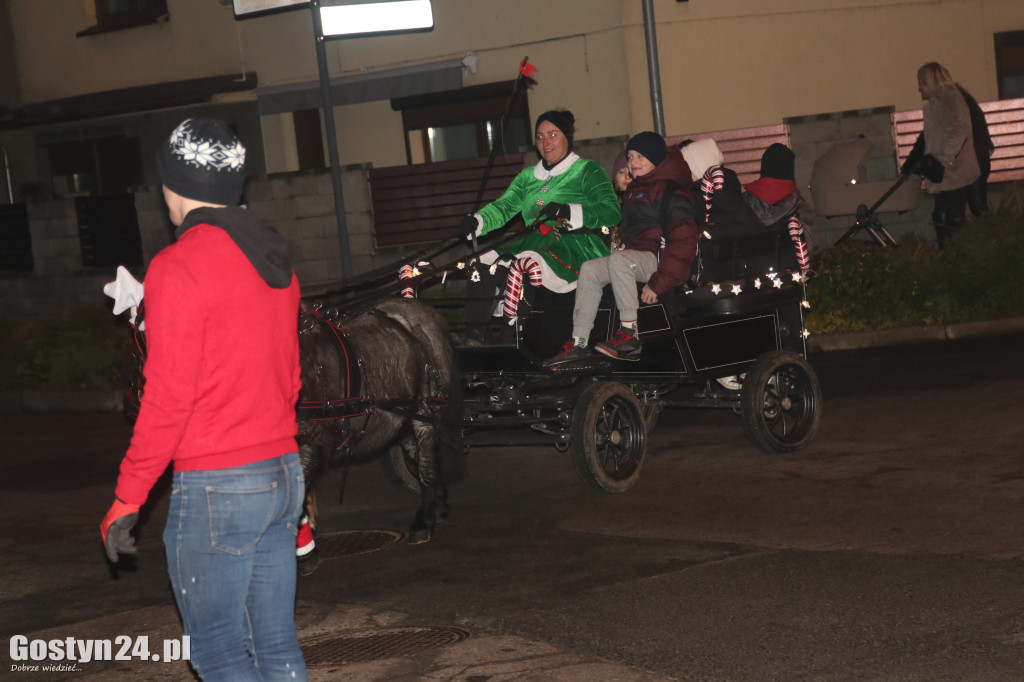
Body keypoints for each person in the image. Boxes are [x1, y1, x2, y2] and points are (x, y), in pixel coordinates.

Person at [99, 118, 308, 681]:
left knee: (217, 653)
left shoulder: (178, 266)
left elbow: (168, 398)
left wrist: (129, 495)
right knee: (275, 643)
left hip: (220, 485)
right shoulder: (275, 261)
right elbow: (290, 379)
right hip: (282, 473)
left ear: (173, 185)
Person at [458, 110, 621, 343]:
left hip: (574, 244)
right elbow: (504, 207)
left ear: (566, 137)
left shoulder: (587, 170)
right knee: (482, 262)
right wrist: (479, 221)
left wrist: (569, 211)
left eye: (552, 134)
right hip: (535, 240)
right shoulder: (527, 177)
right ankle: (475, 338)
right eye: (540, 136)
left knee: (527, 260)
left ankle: (518, 334)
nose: (545, 142)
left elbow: (611, 211)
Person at [544, 131, 698, 364]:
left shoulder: (672, 191)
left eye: (640, 156)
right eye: (630, 156)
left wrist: (660, 281)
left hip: (660, 260)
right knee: (590, 269)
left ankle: (629, 334)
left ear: (655, 158)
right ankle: (579, 342)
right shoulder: (636, 190)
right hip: (637, 258)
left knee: (620, 259)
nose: (633, 162)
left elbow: (684, 240)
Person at [900, 62, 980, 247]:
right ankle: (949, 253)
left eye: (921, 82)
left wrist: (941, 160)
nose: (919, 88)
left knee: (950, 217)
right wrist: (912, 166)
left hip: (955, 171)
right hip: (944, 172)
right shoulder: (936, 105)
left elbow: (959, 132)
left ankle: (955, 254)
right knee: (943, 216)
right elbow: (927, 139)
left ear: (929, 81)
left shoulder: (952, 100)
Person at [742, 142, 820, 266]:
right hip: (790, 270)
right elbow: (809, 246)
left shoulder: (745, 200)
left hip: (754, 270)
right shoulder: (797, 202)